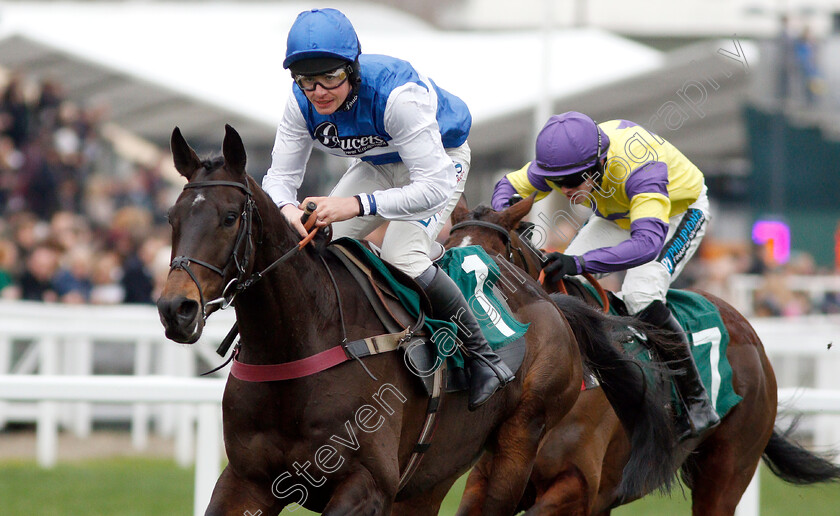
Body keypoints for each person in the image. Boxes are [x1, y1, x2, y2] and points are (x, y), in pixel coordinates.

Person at [262, 8, 513, 410]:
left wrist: (355, 204)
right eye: (307, 80)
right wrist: (288, 209)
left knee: (402, 254)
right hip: (378, 163)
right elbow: (278, 178)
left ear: (353, 68)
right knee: (323, 247)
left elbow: (431, 187)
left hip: (439, 163)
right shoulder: (300, 101)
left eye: (331, 76)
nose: (319, 91)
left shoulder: (399, 97)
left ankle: (484, 357)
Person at [492, 112, 720, 440]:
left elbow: (646, 243)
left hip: (675, 211)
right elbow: (508, 187)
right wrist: (509, 215)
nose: (566, 190)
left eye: (573, 182)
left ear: (597, 165)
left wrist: (579, 262)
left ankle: (696, 400)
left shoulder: (641, 171)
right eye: (559, 182)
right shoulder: (564, 162)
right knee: (561, 284)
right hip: (617, 213)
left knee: (641, 294)